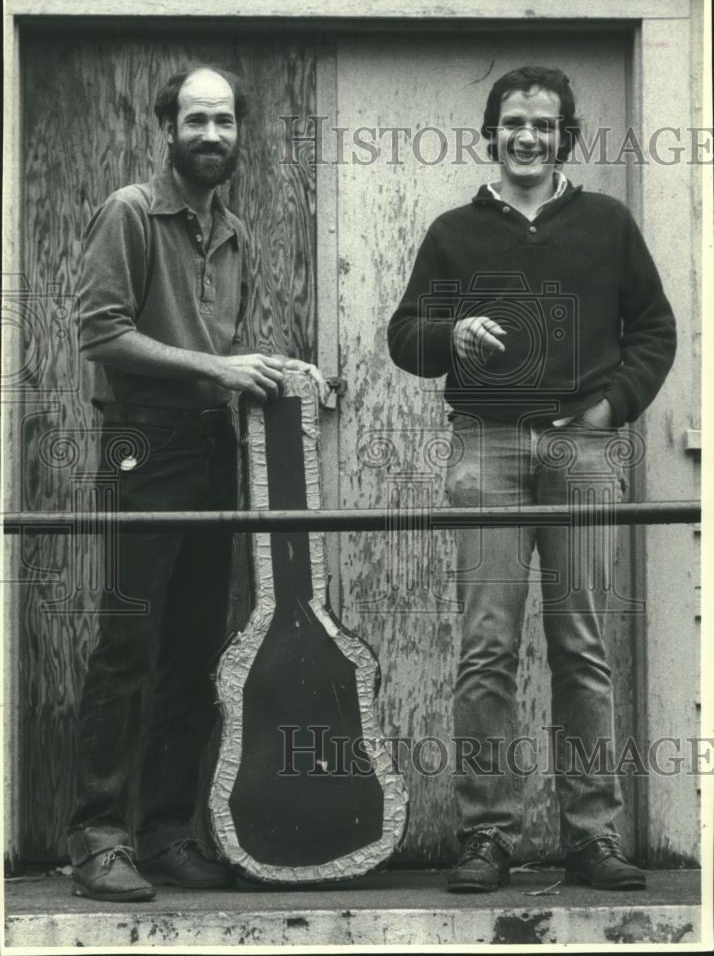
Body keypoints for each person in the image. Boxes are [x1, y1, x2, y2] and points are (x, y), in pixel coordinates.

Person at [388, 66, 676, 893]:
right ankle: (487, 836)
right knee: (486, 651)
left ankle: (593, 837)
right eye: (513, 121)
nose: (527, 136)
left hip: (582, 456)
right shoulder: (453, 233)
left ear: (565, 137)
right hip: (485, 452)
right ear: (492, 130)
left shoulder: (608, 225)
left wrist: (608, 409)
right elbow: (405, 334)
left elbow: (654, 330)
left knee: (580, 647)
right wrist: (451, 334)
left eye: (544, 126)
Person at [70, 64, 326, 902]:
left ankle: (167, 833)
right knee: (127, 648)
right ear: (167, 129)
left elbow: (222, 351)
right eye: (195, 121)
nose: (211, 135)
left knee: (192, 651)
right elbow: (100, 333)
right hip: (143, 449)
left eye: (224, 121)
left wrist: (273, 369)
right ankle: (98, 841)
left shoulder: (235, 231)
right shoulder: (131, 213)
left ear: (238, 132)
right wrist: (217, 365)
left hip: (213, 449)